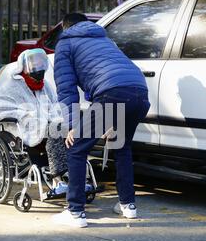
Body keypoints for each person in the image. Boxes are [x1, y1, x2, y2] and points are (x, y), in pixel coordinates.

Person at [53, 13, 150, 228]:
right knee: (122, 146)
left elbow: (67, 90)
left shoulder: (66, 44)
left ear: (65, 27)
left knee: (76, 148)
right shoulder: (104, 39)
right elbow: (97, 80)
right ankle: (128, 205)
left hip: (113, 93)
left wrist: (72, 126)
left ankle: (75, 212)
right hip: (140, 93)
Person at [0, 49, 92, 197]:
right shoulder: (12, 84)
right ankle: (58, 180)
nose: (38, 69)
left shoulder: (45, 86)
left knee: (70, 129)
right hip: (24, 127)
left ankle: (77, 178)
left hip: (46, 125)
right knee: (55, 129)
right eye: (34, 65)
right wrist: (24, 114)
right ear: (24, 66)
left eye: (40, 64)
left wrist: (58, 118)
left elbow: (55, 104)